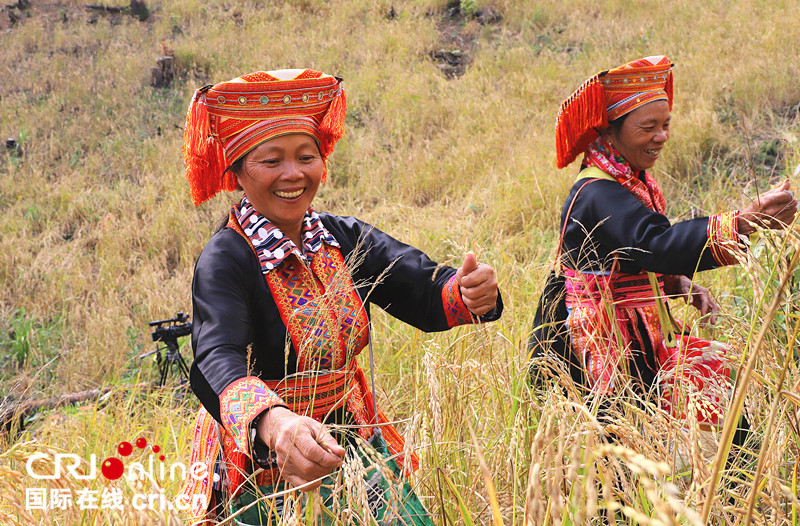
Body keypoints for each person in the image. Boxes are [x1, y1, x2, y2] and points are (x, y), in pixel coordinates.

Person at [177, 69, 502, 524]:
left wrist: (467, 291)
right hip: (266, 456)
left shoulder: (341, 237)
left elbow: (421, 289)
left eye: (306, 156)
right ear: (236, 171)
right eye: (271, 161)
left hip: (348, 436)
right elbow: (215, 356)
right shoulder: (227, 257)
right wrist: (275, 423)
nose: (294, 174)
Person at [529, 56, 796, 431]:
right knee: (621, 453)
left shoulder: (626, 182)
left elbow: (625, 258)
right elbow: (654, 242)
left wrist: (674, 283)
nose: (662, 136)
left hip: (636, 328)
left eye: (666, 125)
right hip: (608, 344)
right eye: (648, 126)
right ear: (609, 131)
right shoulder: (597, 192)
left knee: (717, 408)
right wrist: (744, 222)